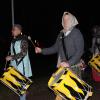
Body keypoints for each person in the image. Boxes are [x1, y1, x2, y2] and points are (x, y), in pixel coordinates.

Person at [35, 12, 84, 100]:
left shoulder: (76, 33)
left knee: (74, 95)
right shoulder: (61, 34)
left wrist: (68, 63)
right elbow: (54, 48)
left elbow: (79, 51)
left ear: (72, 20)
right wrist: (42, 50)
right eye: (64, 19)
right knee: (61, 93)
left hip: (74, 68)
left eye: (68, 19)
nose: (65, 21)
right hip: (63, 69)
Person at [6, 24, 32, 100]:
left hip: (22, 67)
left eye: (13, 29)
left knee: (21, 89)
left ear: (18, 31)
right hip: (15, 67)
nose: (12, 31)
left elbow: (23, 53)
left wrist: (11, 57)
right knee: (19, 88)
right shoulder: (13, 41)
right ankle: (25, 92)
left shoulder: (23, 40)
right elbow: (13, 53)